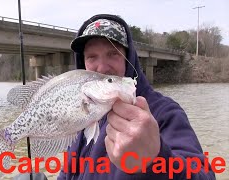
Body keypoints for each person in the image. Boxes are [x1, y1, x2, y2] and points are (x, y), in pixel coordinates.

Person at [57, 14, 216, 179]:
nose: (102, 67)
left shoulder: (164, 112)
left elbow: (204, 175)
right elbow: (67, 172)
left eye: (113, 54)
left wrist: (156, 160)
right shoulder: (80, 113)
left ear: (129, 58)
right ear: (83, 64)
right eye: (92, 57)